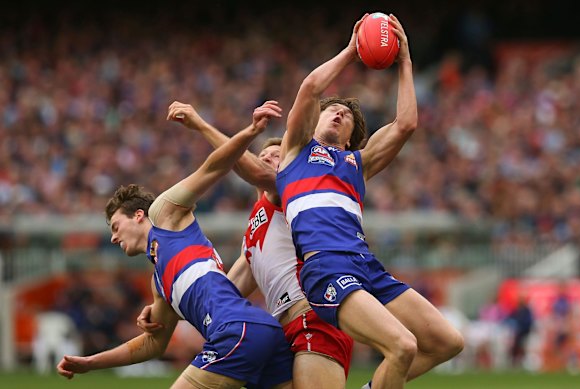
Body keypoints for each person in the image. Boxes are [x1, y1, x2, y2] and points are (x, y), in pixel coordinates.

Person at [275, 13, 464, 389]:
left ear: (349, 140)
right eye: (333, 109)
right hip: (325, 266)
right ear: (314, 122)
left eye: (346, 116)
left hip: (365, 265)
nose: (339, 112)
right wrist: (351, 50)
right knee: (402, 346)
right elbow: (311, 89)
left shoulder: (356, 164)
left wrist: (405, 61)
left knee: (447, 342)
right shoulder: (294, 152)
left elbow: (406, 124)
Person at [56, 101, 293, 389]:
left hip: (237, 330)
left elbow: (213, 167)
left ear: (138, 215)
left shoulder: (164, 213)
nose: (113, 238)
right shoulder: (160, 282)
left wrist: (249, 131)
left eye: (116, 226)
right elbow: (153, 345)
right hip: (260, 330)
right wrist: (92, 362)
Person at [138, 100, 353, 389]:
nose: (266, 158)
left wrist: (201, 124)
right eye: (262, 154)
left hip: (314, 314)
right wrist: (164, 307)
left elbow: (247, 167)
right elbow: (223, 290)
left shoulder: (292, 189)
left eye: (276, 155)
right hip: (286, 326)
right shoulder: (255, 229)